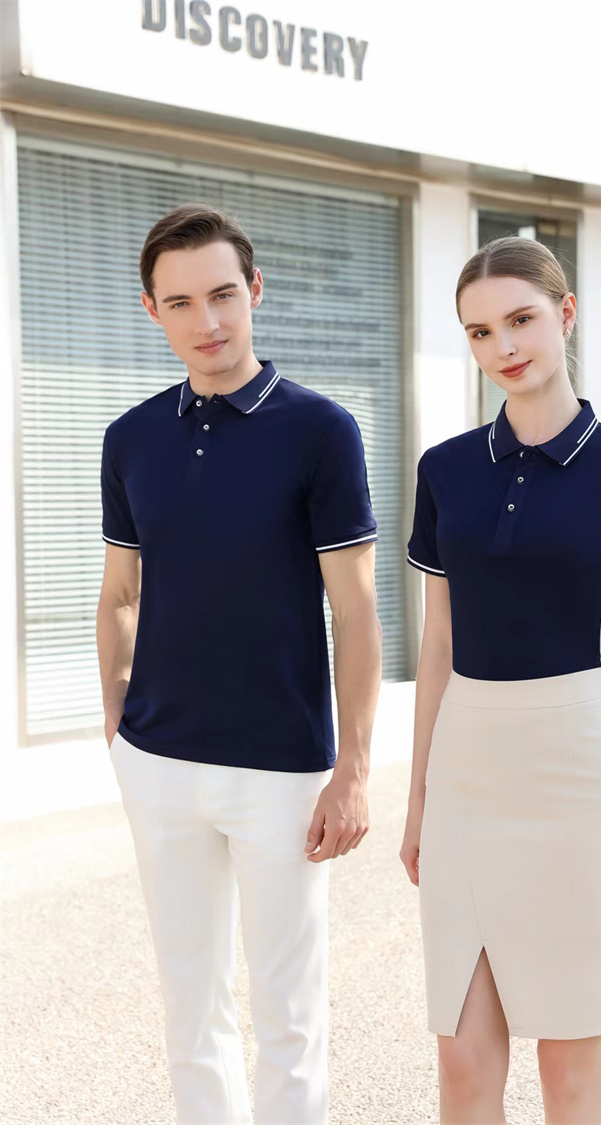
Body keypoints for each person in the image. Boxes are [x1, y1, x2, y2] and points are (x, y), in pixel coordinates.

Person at [96, 204, 382, 1125]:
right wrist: (118, 726)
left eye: (223, 294)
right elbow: (121, 592)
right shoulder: (130, 438)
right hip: (159, 762)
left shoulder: (321, 430)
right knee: (191, 1010)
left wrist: (353, 769)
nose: (207, 320)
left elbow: (357, 609)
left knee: (288, 1015)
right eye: (181, 302)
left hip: (282, 770)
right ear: (152, 310)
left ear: (255, 289)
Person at [400, 237, 601, 1125]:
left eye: (521, 319)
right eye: (480, 332)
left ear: (565, 314)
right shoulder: (444, 469)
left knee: (568, 1072)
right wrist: (417, 799)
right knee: (462, 1068)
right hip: (464, 777)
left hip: (575, 775)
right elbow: (438, 641)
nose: (504, 346)